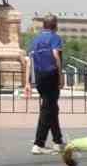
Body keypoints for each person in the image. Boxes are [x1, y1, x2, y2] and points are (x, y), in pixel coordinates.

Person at [24, 15, 65, 155]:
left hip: (39, 77)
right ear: (55, 26)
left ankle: (58, 141)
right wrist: (60, 76)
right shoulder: (55, 37)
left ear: (43, 26)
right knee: (48, 109)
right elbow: (55, 54)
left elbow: (29, 61)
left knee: (51, 107)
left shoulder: (35, 40)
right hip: (51, 75)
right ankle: (38, 143)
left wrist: (27, 82)